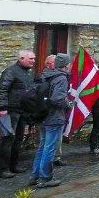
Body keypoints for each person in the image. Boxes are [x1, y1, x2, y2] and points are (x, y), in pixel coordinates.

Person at [29, 53, 72, 188]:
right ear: (65, 65)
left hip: (43, 116)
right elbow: (57, 99)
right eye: (69, 63)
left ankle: (35, 176)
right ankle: (46, 177)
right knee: (49, 148)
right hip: (54, 117)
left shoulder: (46, 75)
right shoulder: (61, 78)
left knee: (42, 147)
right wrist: (68, 105)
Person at [0, 50, 35, 179]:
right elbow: (2, 89)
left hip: (22, 111)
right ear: (22, 58)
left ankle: (14, 165)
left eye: (34, 59)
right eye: (31, 59)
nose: (33, 61)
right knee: (8, 140)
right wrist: (3, 108)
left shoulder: (26, 73)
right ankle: (2, 169)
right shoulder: (11, 71)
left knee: (18, 139)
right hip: (11, 111)